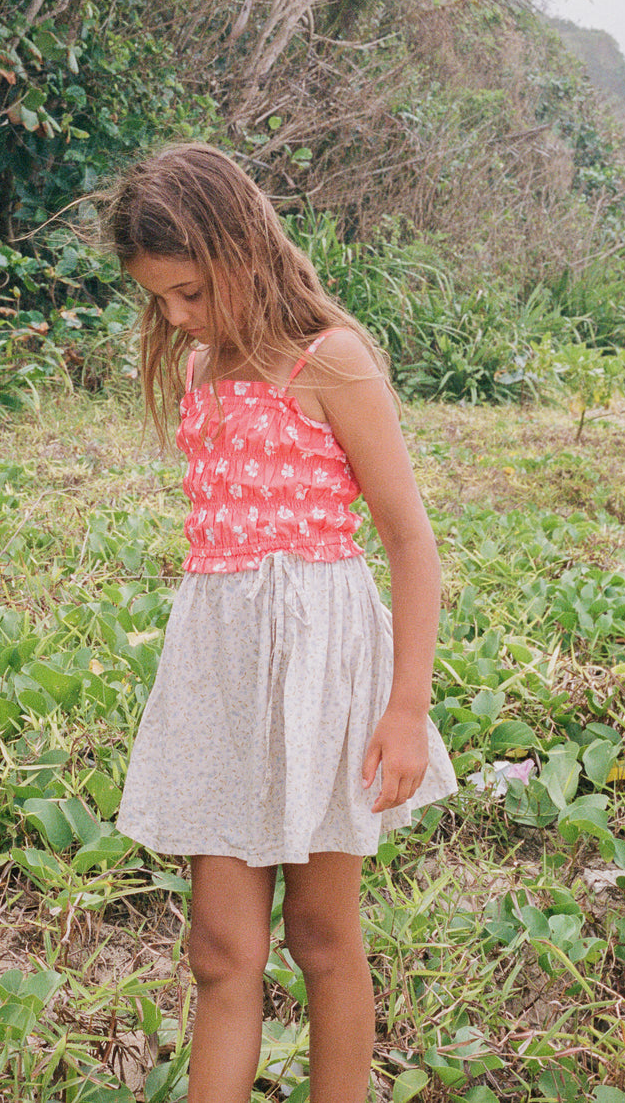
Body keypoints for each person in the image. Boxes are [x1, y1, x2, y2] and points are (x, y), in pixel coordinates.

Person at [98, 142, 457, 1103]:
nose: (174, 317)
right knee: (221, 949)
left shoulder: (330, 359)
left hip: (325, 672)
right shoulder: (203, 369)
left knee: (324, 939)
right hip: (220, 674)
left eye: (189, 292)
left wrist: (406, 709)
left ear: (242, 250)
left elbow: (411, 544)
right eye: (159, 300)